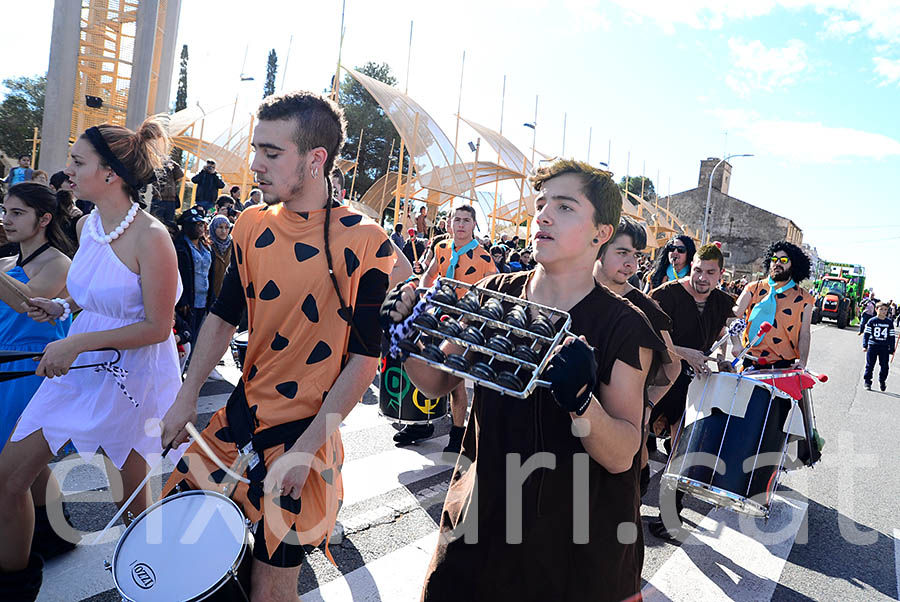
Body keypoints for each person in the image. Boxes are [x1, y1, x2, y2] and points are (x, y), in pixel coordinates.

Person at [382, 159, 666, 602]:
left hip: (575, 548)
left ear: (601, 232)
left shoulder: (623, 327)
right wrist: (403, 341)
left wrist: (581, 402)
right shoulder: (496, 295)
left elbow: (622, 453)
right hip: (483, 522)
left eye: (565, 207)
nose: (544, 216)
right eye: (541, 204)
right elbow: (437, 383)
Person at [159, 90, 395, 602]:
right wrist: (184, 396)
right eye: (256, 148)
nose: (256, 164)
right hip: (237, 420)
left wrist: (308, 449)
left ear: (316, 160)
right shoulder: (249, 224)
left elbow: (364, 359)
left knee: (271, 589)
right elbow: (223, 315)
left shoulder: (365, 241)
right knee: (177, 551)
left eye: (272, 152)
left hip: (301, 439)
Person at [0, 118, 183, 600]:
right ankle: (15, 587)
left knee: (133, 497)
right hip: (77, 365)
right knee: (8, 477)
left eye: (79, 162)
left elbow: (158, 327)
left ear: (111, 174)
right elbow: (94, 296)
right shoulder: (87, 223)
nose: (68, 169)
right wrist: (60, 307)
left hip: (132, 374)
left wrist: (75, 343)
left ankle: (157, 582)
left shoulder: (153, 237)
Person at [0, 183, 75, 563]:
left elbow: (26, 305)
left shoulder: (60, 263)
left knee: (12, 470)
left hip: (32, 373)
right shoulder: (6, 263)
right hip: (3, 369)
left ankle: (28, 548)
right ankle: (56, 530)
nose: (6, 219)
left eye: (17, 213)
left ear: (44, 219)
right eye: (5, 211)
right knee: (21, 468)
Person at [647, 243, 736, 540]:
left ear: (721, 274)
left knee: (681, 452)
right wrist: (685, 353)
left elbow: (725, 335)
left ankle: (669, 517)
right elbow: (645, 335)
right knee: (635, 448)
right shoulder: (665, 294)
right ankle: (620, 508)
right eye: (698, 269)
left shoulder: (723, 302)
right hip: (656, 380)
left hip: (692, 386)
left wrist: (724, 359)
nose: (702, 277)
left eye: (710, 272)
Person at [393, 204, 496, 451]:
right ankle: (421, 422)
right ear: (449, 223)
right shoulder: (441, 248)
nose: (460, 224)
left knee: (454, 379)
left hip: (466, 323)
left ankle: (457, 435)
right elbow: (429, 276)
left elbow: (493, 295)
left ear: (474, 225)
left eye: (466, 220)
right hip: (437, 317)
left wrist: (470, 319)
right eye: (456, 219)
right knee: (421, 364)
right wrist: (422, 298)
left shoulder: (484, 258)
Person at [593, 215, 681, 496]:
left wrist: (647, 407)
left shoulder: (646, 309)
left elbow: (673, 367)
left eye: (636, 255)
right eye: (622, 252)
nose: (631, 263)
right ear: (599, 247)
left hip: (620, 426)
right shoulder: (575, 291)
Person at [732, 241, 814, 370]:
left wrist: (803, 362)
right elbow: (733, 315)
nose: (777, 263)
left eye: (784, 260)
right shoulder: (753, 288)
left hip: (784, 368)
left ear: (794, 265)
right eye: (774, 259)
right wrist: (736, 343)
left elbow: (804, 334)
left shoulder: (805, 299)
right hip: (750, 363)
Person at [173, 206, 212, 349]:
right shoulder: (180, 248)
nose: (201, 228)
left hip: (204, 298)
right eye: (197, 225)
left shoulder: (206, 247)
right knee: (187, 336)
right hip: (188, 299)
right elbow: (178, 275)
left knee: (200, 335)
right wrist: (182, 299)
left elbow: (210, 273)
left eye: (202, 224)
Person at [863, 302, 895, 391]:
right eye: (881, 309)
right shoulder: (872, 321)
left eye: (885, 310)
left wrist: (892, 348)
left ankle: (882, 381)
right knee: (870, 365)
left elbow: (892, 336)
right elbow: (867, 334)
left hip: (884, 347)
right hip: (873, 346)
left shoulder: (889, 322)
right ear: (876, 310)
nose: (883, 311)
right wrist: (865, 345)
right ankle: (867, 382)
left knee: (884, 366)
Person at [48, 171, 83, 248]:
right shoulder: (47, 208)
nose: (72, 185)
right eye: (69, 182)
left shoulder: (82, 204)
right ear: (52, 188)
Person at [149, 158, 184, 224]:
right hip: (158, 199)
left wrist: (174, 165)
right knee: (155, 222)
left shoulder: (171, 170)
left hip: (171, 201)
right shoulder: (155, 167)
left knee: (169, 223)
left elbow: (180, 175)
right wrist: (159, 165)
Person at [208, 215, 233, 301]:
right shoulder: (207, 245)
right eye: (220, 227)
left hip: (227, 294)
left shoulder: (232, 245)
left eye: (227, 228)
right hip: (209, 294)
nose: (224, 231)